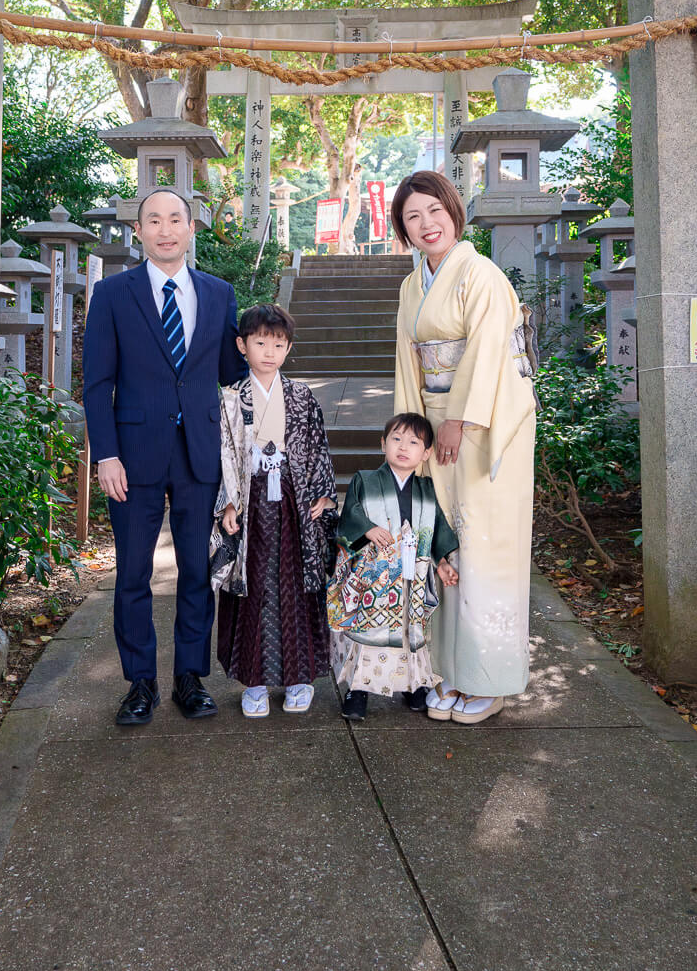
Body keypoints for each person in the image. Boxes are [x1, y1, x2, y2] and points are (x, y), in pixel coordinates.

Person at [82, 187, 248, 726]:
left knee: (197, 573)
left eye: (175, 219)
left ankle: (190, 679)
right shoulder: (112, 295)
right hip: (132, 456)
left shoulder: (220, 294)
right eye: (153, 220)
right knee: (132, 573)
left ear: (191, 228)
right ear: (139, 232)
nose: (165, 229)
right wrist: (105, 454)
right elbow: (97, 383)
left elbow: (232, 373)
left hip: (201, 455)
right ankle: (139, 683)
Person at [391, 170, 537, 725]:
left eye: (434, 210)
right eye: (412, 217)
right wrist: (413, 432)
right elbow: (408, 358)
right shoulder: (412, 286)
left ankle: (491, 680)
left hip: (483, 429)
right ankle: (451, 671)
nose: (426, 224)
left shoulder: (482, 274)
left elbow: (491, 354)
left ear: (453, 210)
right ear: (402, 230)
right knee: (443, 547)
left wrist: (458, 421)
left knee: (483, 548)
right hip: (436, 422)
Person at [211, 304, 338, 717]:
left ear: (288, 348)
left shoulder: (302, 397)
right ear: (241, 345)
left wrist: (322, 494)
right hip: (249, 498)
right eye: (260, 342)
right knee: (255, 585)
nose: (269, 351)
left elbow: (317, 447)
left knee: (297, 583)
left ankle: (300, 677)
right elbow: (224, 454)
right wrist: (228, 501)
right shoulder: (231, 397)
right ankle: (255, 681)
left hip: (294, 500)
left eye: (278, 344)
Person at [329, 412, 460, 721]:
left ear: (426, 453)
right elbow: (351, 516)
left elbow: (437, 527)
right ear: (383, 444)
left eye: (414, 442)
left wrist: (441, 563)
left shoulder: (427, 489)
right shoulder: (366, 479)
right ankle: (358, 690)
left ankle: (413, 685)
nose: (404, 447)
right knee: (369, 633)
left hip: (412, 575)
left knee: (409, 631)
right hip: (375, 577)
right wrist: (367, 530)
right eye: (396, 439)